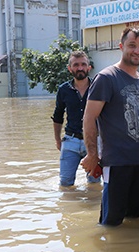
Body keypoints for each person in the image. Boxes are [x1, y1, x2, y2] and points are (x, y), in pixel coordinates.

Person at [80, 27, 139, 226]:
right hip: (117, 163)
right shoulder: (106, 78)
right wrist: (92, 154)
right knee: (111, 222)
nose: (137, 51)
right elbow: (89, 118)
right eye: (132, 46)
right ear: (121, 47)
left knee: (135, 218)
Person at [52, 50, 101, 187]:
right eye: (76, 65)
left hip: (93, 141)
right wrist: (57, 140)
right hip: (70, 140)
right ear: (70, 68)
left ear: (89, 67)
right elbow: (58, 116)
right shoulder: (63, 90)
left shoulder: (97, 88)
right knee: (65, 183)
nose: (80, 68)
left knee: (94, 183)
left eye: (83, 64)